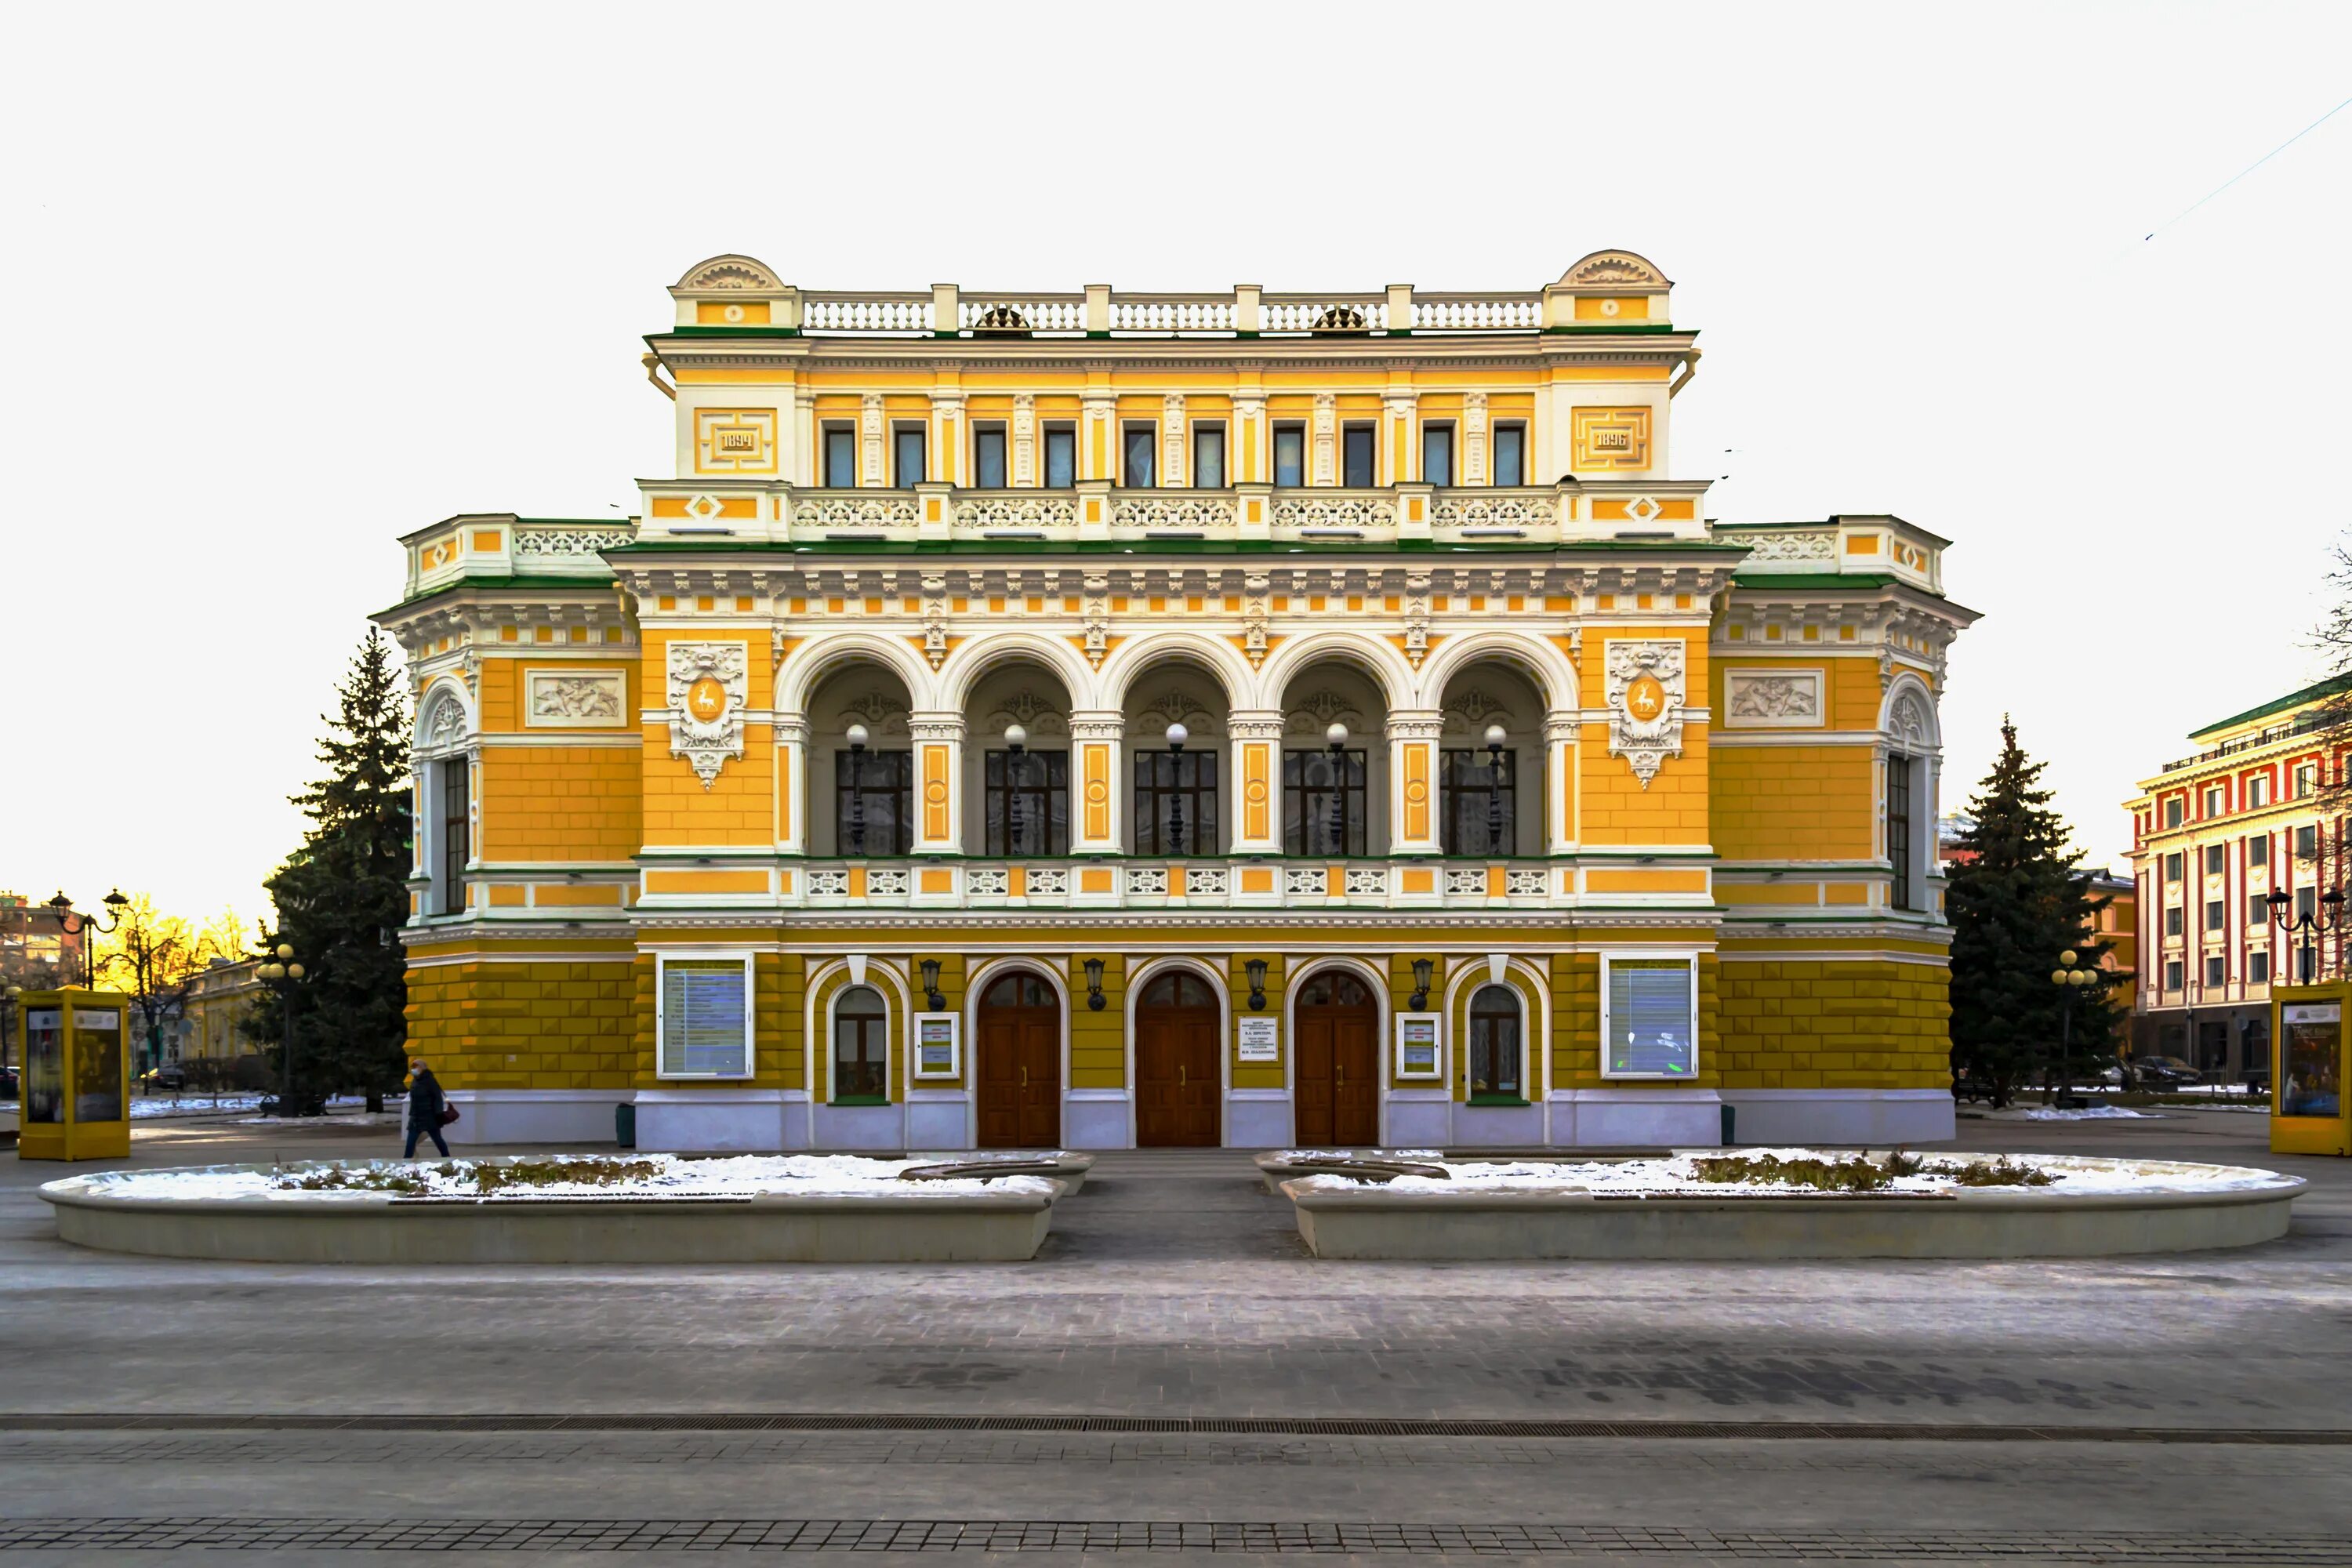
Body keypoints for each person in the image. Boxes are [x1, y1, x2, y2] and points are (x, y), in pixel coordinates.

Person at [404, 1058, 449, 1158]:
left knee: (438, 1140)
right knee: (410, 1143)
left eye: (416, 1067)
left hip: (430, 1117)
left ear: (423, 1068)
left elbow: (438, 1098)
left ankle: (447, 1159)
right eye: (413, 1067)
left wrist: (438, 1114)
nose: (414, 1069)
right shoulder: (415, 1081)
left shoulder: (430, 1081)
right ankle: (405, 1164)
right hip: (416, 1118)